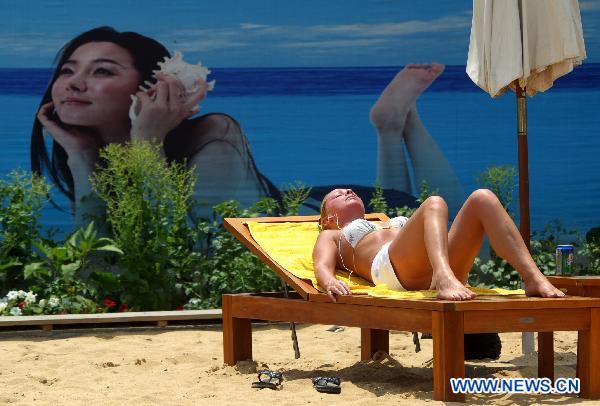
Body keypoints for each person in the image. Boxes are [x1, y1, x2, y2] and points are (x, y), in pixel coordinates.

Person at [31, 26, 278, 227]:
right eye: (67, 70)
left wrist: (148, 144)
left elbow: (196, 260)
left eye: (102, 71)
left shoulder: (214, 136)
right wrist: (82, 157)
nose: (72, 83)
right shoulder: (93, 150)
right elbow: (95, 265)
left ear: (151, 87)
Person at [313, 188, 564, 301]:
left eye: (350, 191)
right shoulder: (332, 234)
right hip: (394, 271)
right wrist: (329, 281)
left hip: (435, 263)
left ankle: (533, 277)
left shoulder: (383, 223)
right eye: (338, 194)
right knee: (434, 202)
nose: (348, 191)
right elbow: (321, 264)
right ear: (327, 218)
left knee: (482, 198)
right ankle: (444, 278)